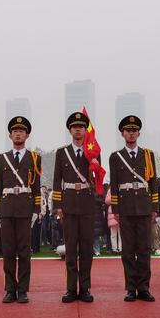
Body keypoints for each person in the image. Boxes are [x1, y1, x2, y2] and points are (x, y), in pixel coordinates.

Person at [52, 113, 101, 303]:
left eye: (81, 126)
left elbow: (98, 180)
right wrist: (58, 205)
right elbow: (57, 180)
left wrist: (96, 167)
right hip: (69, 204)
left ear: (85, 130)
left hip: (87, 204)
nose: (78, 129)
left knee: (87, 248)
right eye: (75, 126)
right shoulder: (62, 153)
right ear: (70, 130)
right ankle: (71, 288)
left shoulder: (94, 151)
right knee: (71, 249)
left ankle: (85, 288)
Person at [109, 115, 158, 301]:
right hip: (126, 207)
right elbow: (114, 184)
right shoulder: (116, 157)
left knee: (144, 249)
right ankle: (131, 288)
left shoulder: (148, 155)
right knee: (128, 250)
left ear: (138, 133)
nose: (131, 133)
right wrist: (116, 210)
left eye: (134, 130)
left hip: (144, 207)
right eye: (128, 130)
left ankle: (144, 287)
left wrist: (154, 208)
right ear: (123, 133)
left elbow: (153, 183)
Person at [0, 117, 42, 303]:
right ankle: (9, 289)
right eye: (15, 131)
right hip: (6, 210)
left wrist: (37, 210)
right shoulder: (2, 157)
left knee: (24, 251)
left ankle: (22, 289)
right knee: (7, 251)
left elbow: (37, 186)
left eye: (22, 131)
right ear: (10, 135)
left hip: (25, 209)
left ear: (27, 135)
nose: (18, 133)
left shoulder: (34, 158)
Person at [105, 187, 121, 254]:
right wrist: (115, 198)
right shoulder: (110, 190)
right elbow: (106, 201)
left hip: (121, 213)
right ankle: (114, 249)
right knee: (113, 234)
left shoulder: (121, 188)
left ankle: (121, 249)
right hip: (112, 214)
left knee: (121, 234)